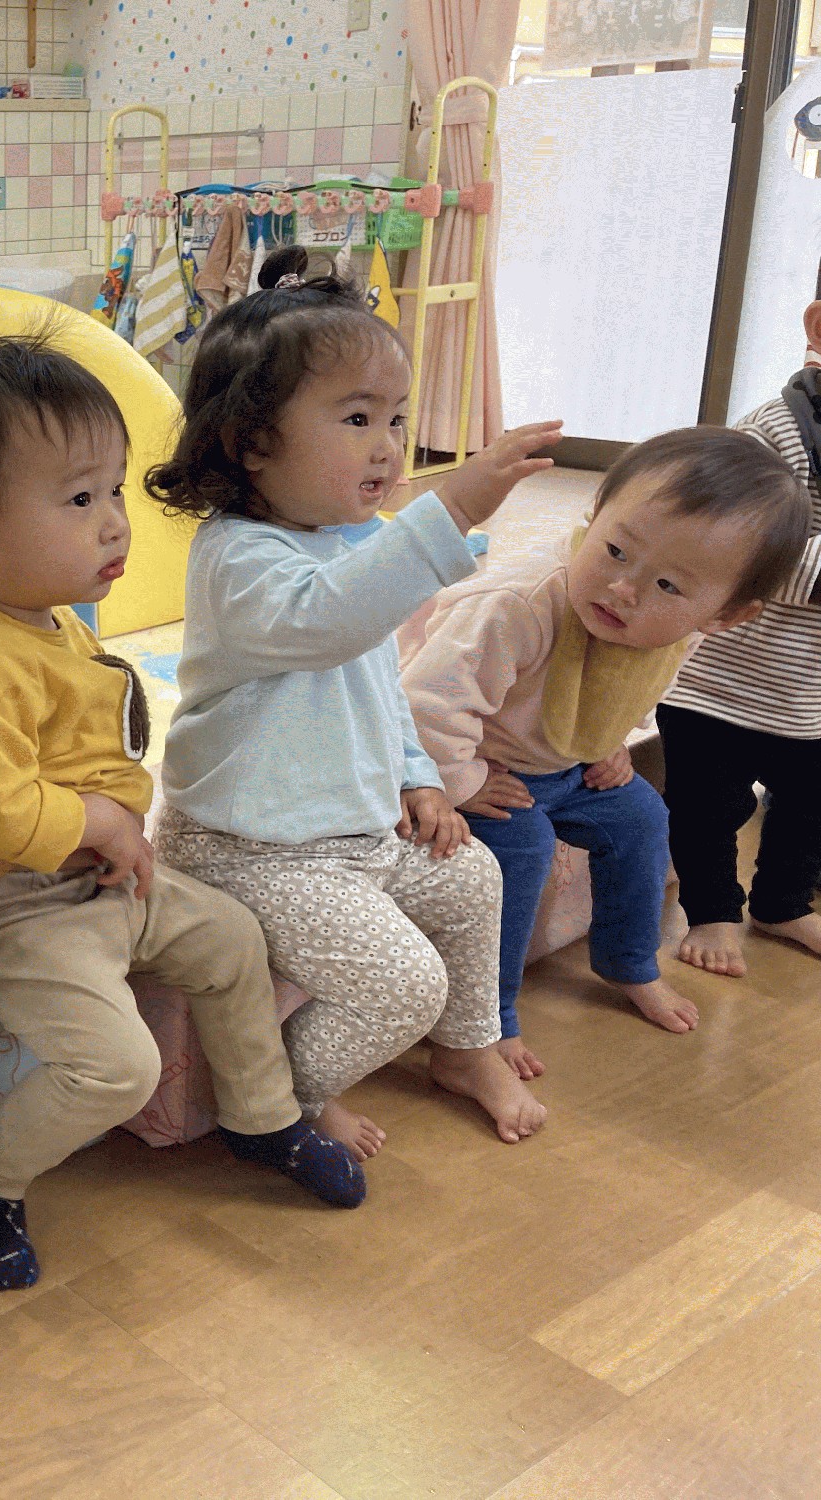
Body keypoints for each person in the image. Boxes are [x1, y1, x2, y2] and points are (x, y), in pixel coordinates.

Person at [0, 330, 371, 1295]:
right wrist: (103, 825)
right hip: (4, 913)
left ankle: (262, 1118)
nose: (114, 524)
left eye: (112, 492)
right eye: (79, 500)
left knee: (231, 939)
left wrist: (118, 827)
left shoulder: (47, 616)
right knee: (118, 1068)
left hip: (96, 881)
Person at [149, 271, 563, 1156]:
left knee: (473, 878)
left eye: (397, 419)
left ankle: (466, 1049)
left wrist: (417, 776)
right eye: (357, 418)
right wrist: (455, 505)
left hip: (351, 833)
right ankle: (294, 1093)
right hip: (249, 849)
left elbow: (379, 681)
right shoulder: (238, 557)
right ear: (252, 443)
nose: (388, 446)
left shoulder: (354, 542)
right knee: (404, 983)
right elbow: (328, 619)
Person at [404, 427, 807, 1073]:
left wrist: (611, 741)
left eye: (668, 585)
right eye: (616, 550)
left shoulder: (676, 633)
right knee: (523, 847)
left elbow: (635, 690)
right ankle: (487, 1017)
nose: (625, 588)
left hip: (561, 762)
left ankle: (629, 963)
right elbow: (425, 701)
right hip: (470, 758)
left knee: (643, 818)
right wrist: (461, 780)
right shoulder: (515, 605)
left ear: (723, 616)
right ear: (591, 518)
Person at [656, 266, 821, 979]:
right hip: (719, 684)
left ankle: (783, 902)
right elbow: (736, 547)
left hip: (807, 694)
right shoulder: (775, 433)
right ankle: (713, 910)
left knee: (808, 806)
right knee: (707, 805)